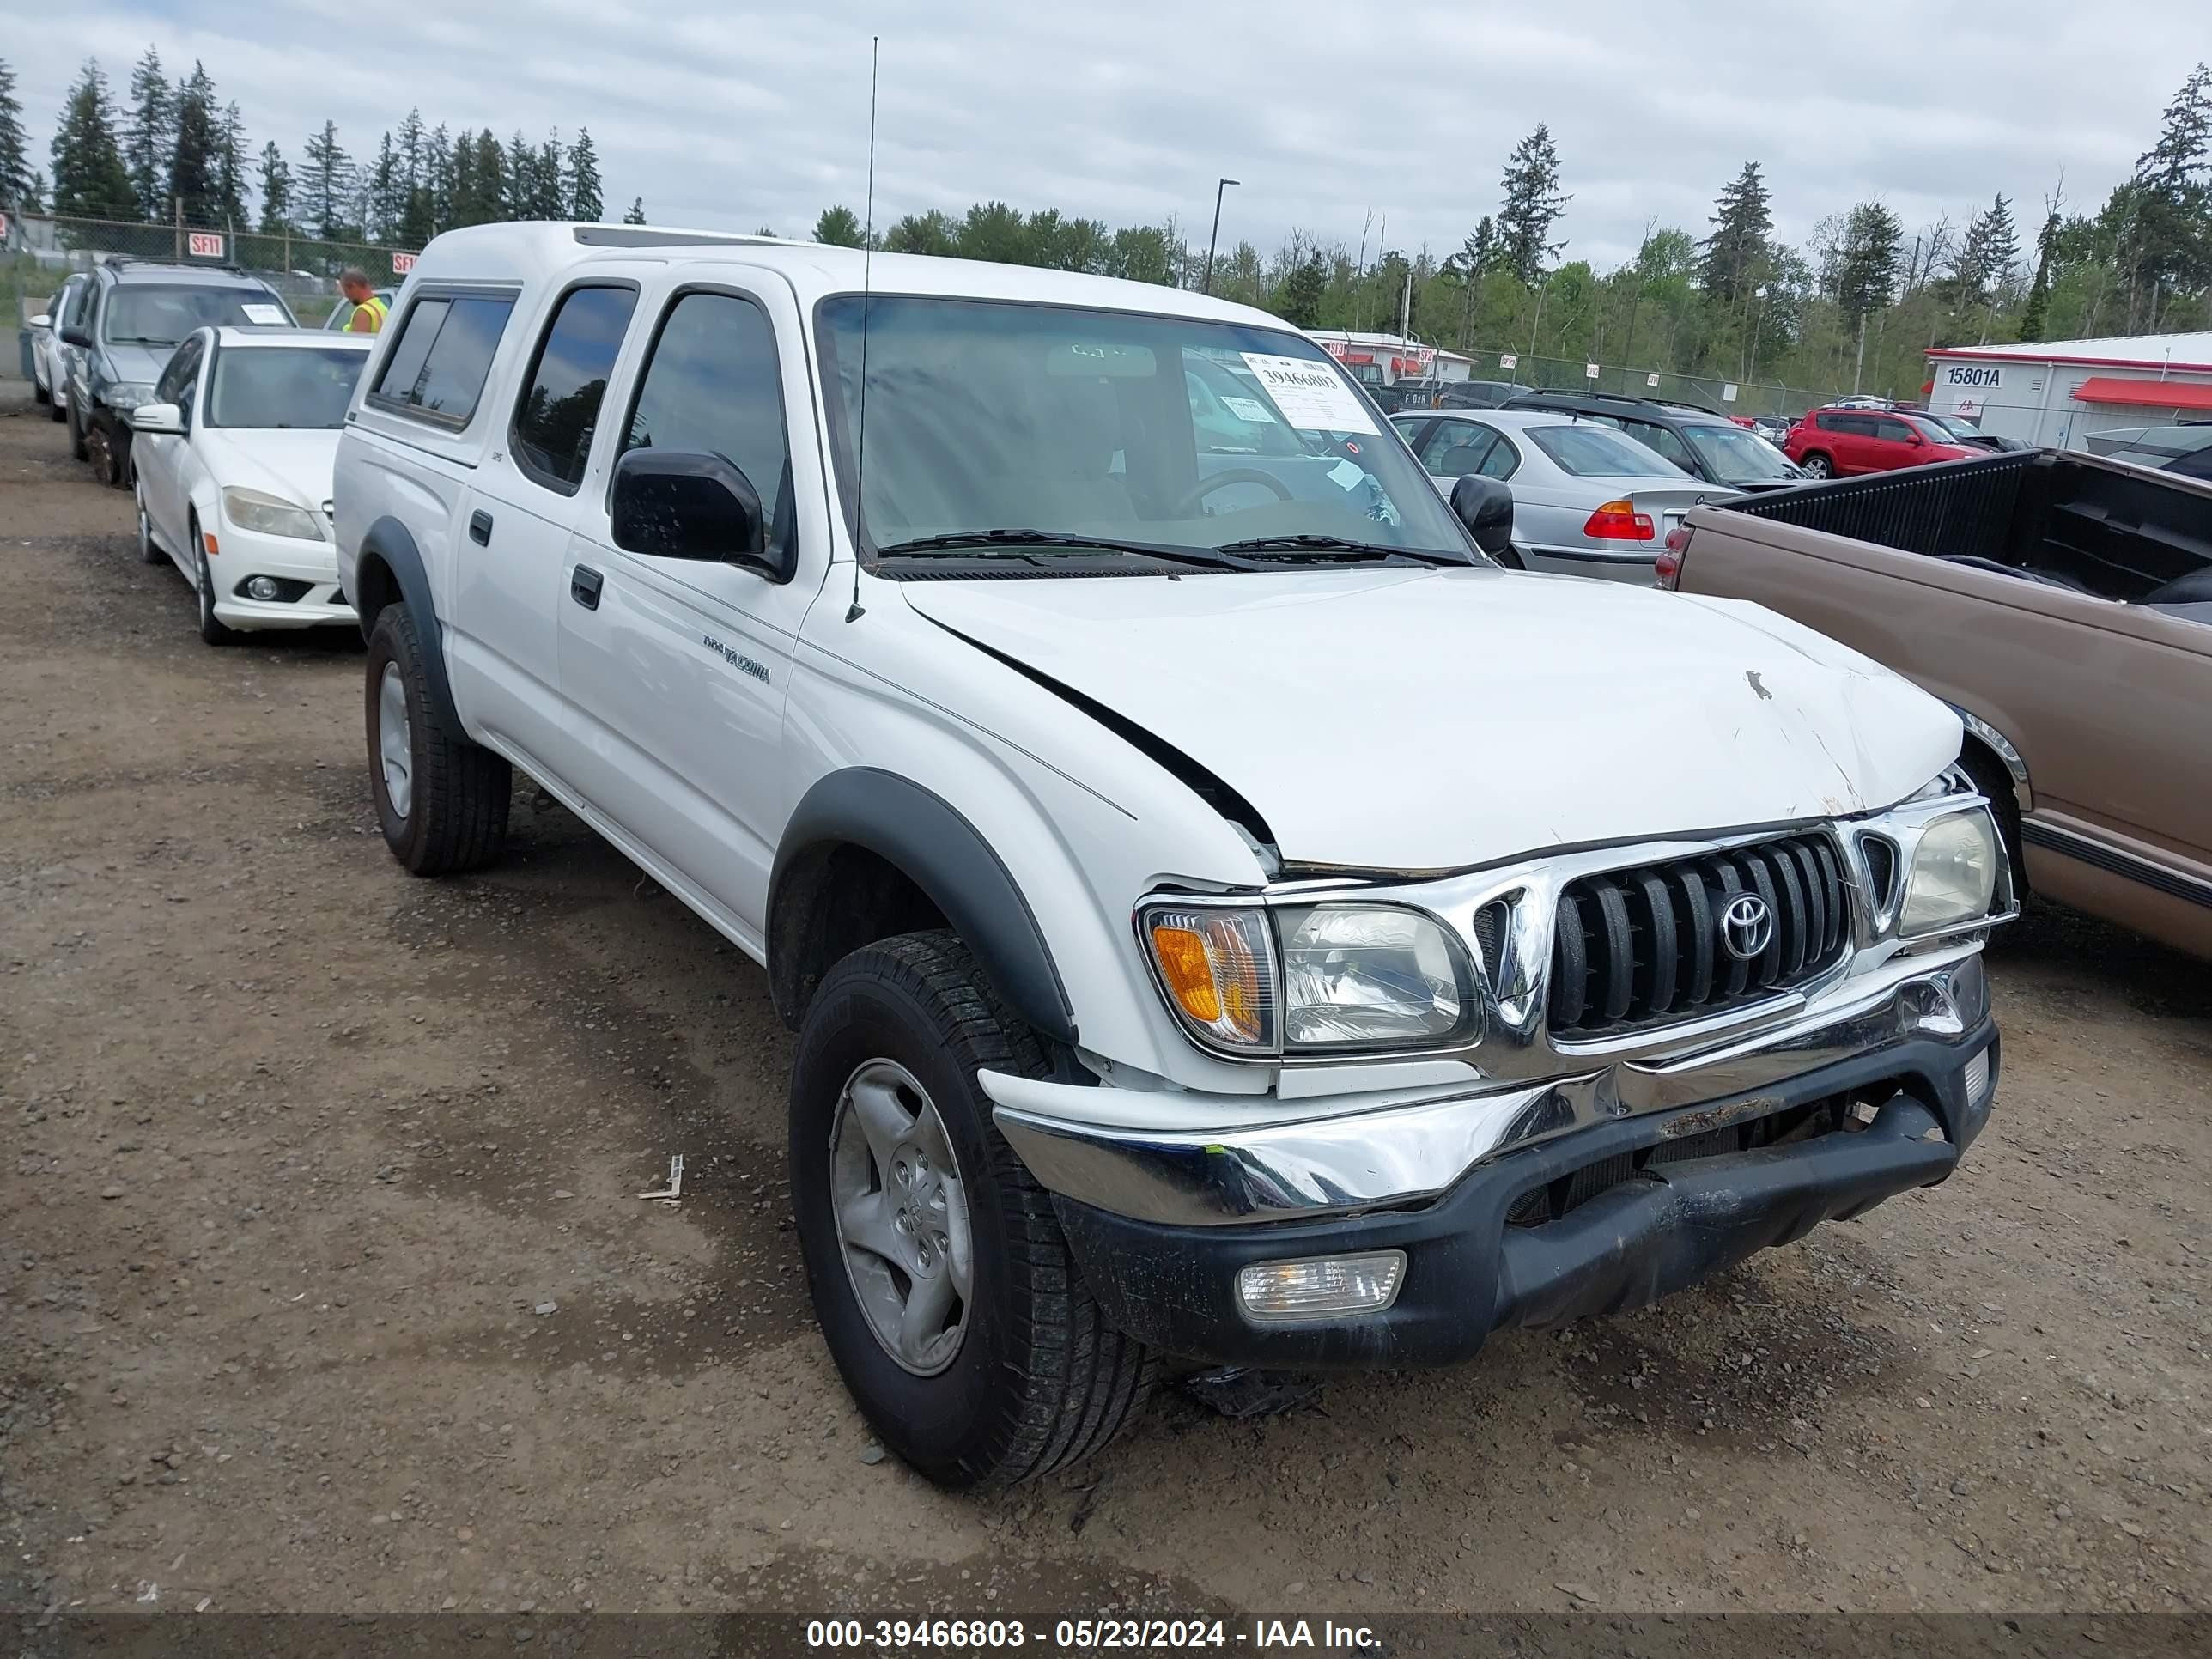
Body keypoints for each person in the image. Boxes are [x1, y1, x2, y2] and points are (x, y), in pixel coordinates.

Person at [336, 270, 387, 335]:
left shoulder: (363, 312)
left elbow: (356, 342)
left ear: (354, 287)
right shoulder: (380, 307)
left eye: (346, 291)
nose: (346, 296)